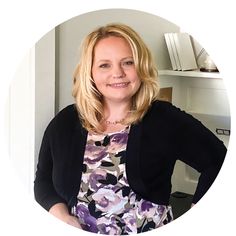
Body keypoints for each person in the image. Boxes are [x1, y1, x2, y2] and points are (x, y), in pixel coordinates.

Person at [34, 23, 227, 234]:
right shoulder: (65, 121)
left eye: (128, 62)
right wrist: (61, 215)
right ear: (89, 72)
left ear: (141, 67)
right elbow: (43, 179)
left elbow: (219, 161)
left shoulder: (164, 118)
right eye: (104, 65)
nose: (118, 73)